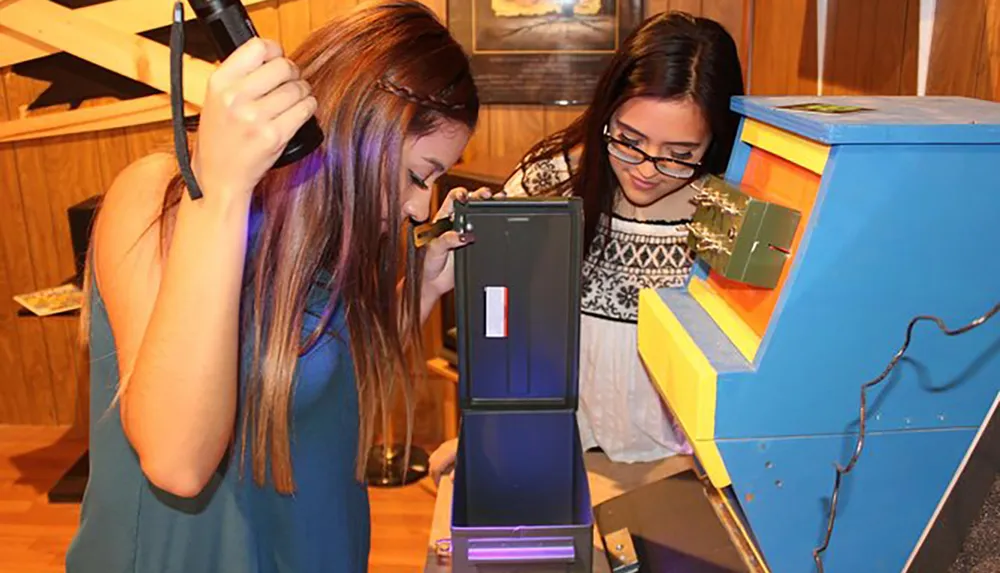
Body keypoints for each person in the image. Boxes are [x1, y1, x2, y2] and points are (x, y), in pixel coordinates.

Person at [66, 1, 492, 571]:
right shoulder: (160, 199)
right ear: (354, 128)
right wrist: (221, 193)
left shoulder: (331, 237)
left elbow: (330, 388)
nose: (421, 206)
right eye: (420, 175)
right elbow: (178, 462)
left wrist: (422, 291)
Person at [430, 10, 745, 482]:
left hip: (681, 470)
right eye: (629, 140)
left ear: (714, 142)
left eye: (680, 155)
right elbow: (499, 325)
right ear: (607, 113)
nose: (646, 169)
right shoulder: (551, 181)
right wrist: (485, 431)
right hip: (556, 452)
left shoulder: (727, 210)